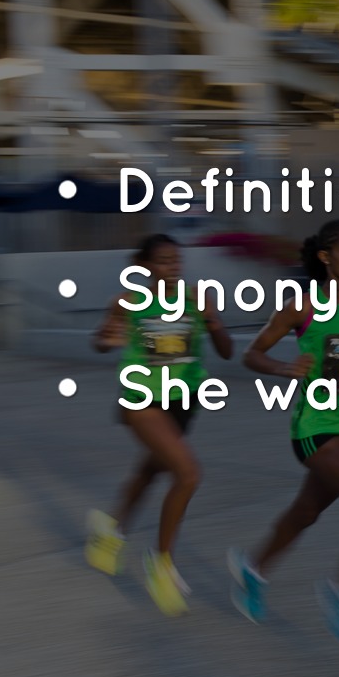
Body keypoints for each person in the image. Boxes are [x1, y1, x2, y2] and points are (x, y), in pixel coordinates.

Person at [229, 219, 339, 655]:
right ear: (326, 257)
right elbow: (252, 353)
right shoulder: (303, 306)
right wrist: (283, 368)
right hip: (317, 430)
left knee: (306, 512)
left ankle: (252, 570)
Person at [85, 233, 233, 616]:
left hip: (183, 405)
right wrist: (105, 339)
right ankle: (161, 561)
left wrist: (212, 319)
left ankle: (110, 531)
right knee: (188, 474)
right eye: (164, 261)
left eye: (177, 261)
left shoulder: (196, 300)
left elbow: (227, 351)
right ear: (146, 266)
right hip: (141, 401)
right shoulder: (128, 302)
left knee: (150, 471)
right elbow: (100, 341)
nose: (173, 267)